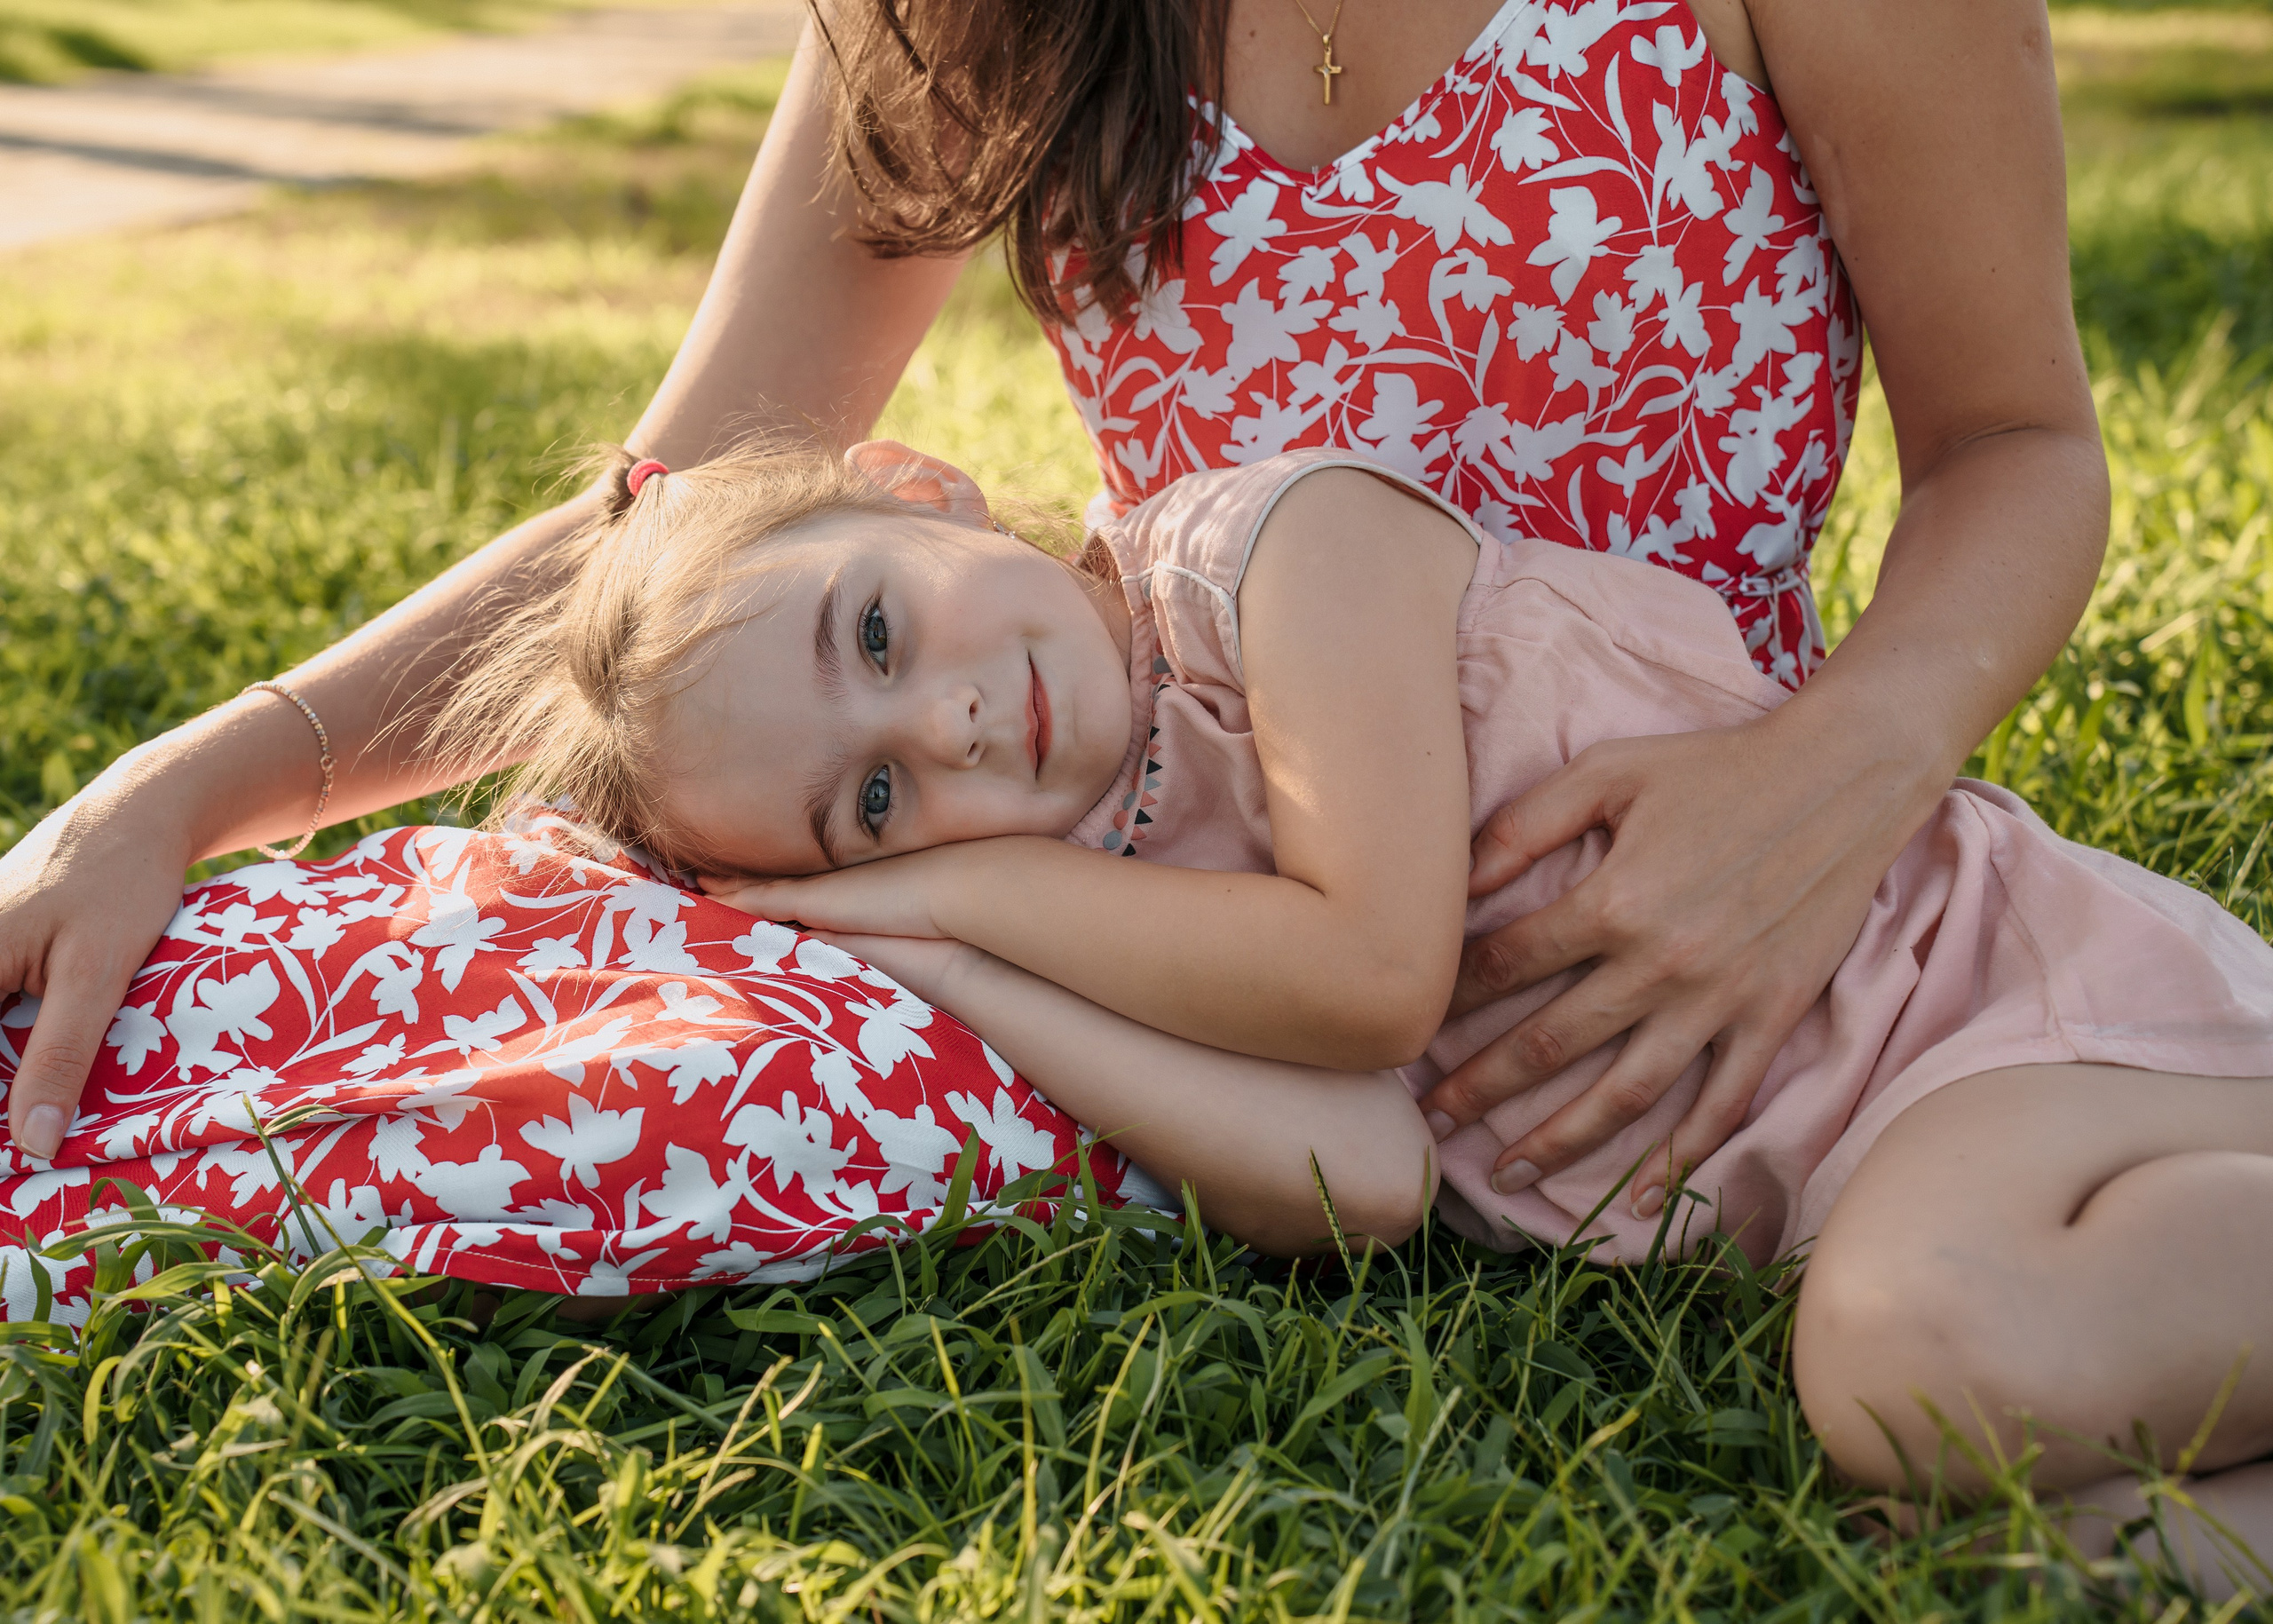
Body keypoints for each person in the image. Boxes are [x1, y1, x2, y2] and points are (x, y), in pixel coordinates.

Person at [0, 0, 2108, 1232]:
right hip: (1181, 914)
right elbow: (683, 529)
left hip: (1698, 910)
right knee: (507, 994)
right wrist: (185, 788)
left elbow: (2014, 443)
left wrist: (1834, 773)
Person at [420, 436, 2273, 1588]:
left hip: (2006, 1017)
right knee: (1989, 1531)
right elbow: (1364, 1175)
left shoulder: (1282, 555)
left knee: (1915, 1354)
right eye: (876, 803)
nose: (951, 726)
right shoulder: (1106, 889)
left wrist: (953, 891)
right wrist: (951, 972)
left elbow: (1375, 977)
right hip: (1912, 1169)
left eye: (878, 633)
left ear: (919, 490)